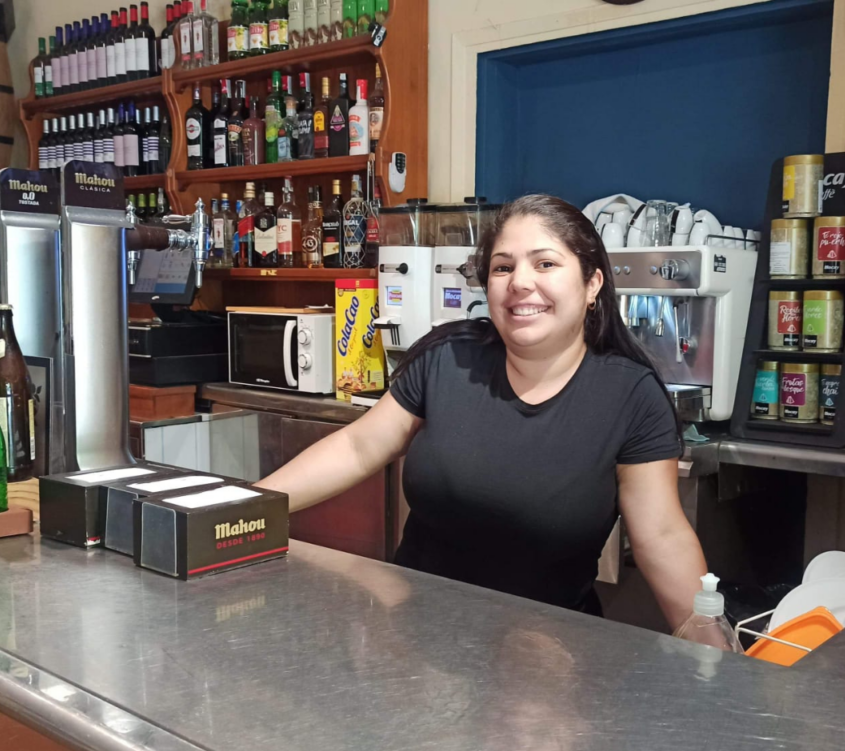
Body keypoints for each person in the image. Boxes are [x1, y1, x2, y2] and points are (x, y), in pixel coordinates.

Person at [257, 194, 710, 630]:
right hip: (417, 635)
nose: (519, 282)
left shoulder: (629, 395)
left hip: (543, 661)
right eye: (503, 267)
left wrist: (710, 639)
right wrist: (244, 509)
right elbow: (358, 447)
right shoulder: (450, 358)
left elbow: (662, 535)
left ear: (592, 283)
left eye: (545, 263)